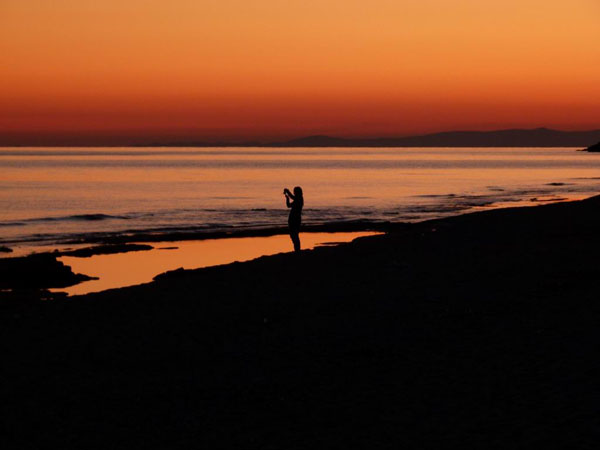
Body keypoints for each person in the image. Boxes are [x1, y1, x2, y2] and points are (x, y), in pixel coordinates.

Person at [283, 186, 303, 252]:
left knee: (294, 235)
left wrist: (288, 191)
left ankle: (297, 250)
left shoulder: (299, 199)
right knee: (293, 235)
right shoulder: (298, 199)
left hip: (295, 219)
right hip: (294, 219)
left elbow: (293, 197)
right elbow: (288, 205)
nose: (294, 193)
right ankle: (297, 249)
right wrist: (287, 198)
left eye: (295, 191)